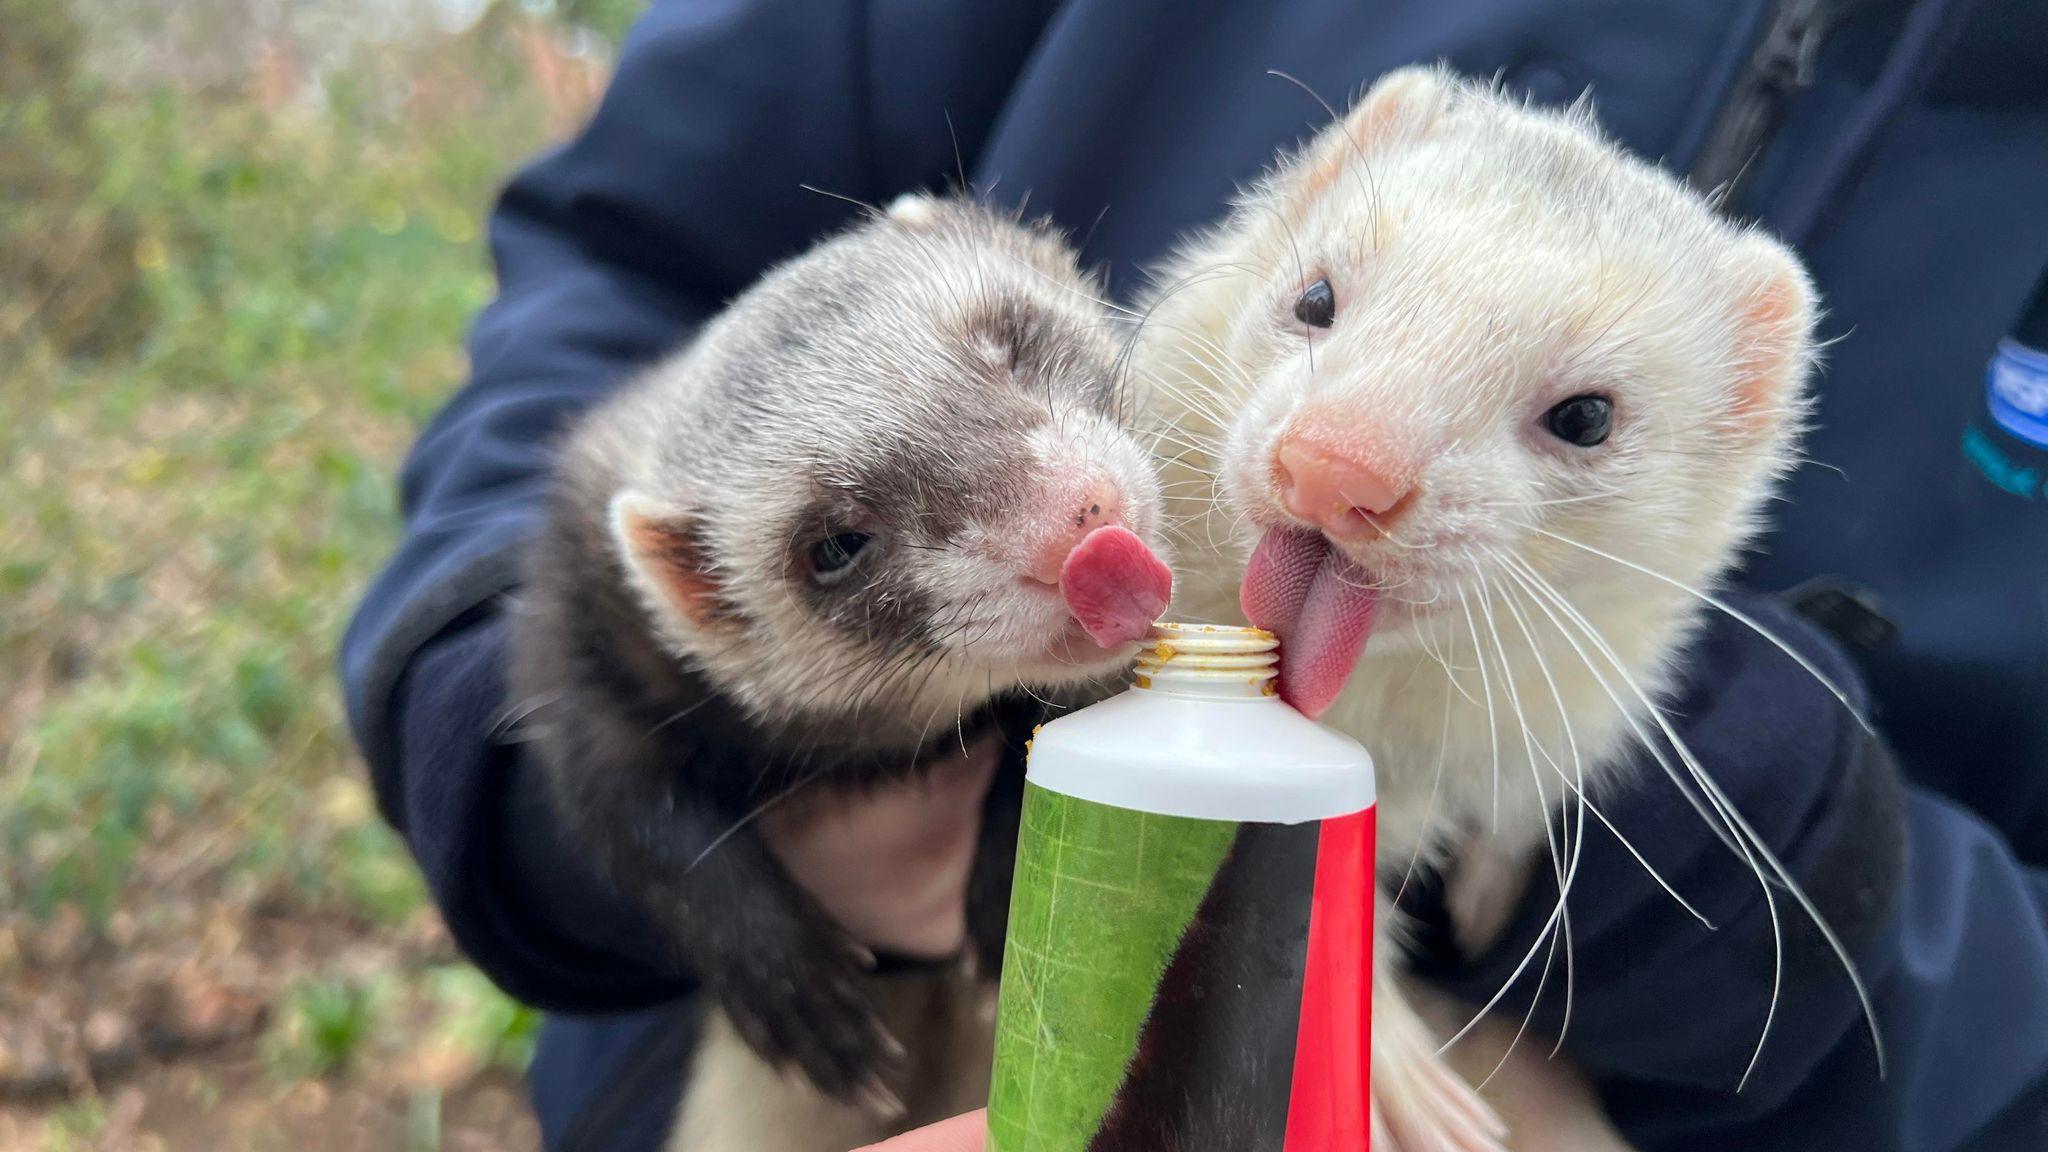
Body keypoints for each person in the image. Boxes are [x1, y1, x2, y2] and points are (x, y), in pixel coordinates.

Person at [340, 2, 2048, 1149]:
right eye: (1314, 313)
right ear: (1297, 210)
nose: (1338, 458)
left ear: (1744, 412)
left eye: (1580, 419)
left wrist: (1817, 877)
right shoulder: (1105, 411)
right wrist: (536, 760)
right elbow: (625, 269)